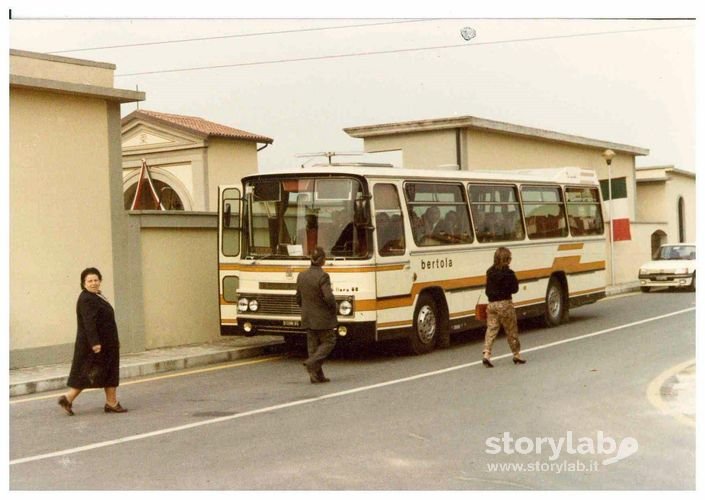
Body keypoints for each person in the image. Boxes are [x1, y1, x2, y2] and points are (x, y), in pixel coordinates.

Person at [58, 267, 127, 415]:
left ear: (100, 281)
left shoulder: (96, 296)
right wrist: (95, 343)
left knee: (106, 372)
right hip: (98, 345)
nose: (93, 283)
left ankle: (110, 402)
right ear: (83, 283)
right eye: (90, 281)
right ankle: (69, 398)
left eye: (96, 280)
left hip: (108, 343)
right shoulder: (87, 299)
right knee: (91, 373)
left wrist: (115, 340)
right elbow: (89, 323)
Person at [295, 247, 338, 383]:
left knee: (312, 346)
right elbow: (328, 297)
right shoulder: (323, 276)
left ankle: (316, 376)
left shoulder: (302, 275)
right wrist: (334, 308)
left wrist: (306, 309)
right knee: (329, 341)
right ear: (322, 260)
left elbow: (298, 297)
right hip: (322, 318)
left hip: (308, 316)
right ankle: (312, 363)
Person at [482, 247, 526, 367]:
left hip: (491, 305)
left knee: (491, 329)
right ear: (507, 259)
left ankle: (486, 354)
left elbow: (487, 291)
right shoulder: (509, 273)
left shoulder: (489, 272)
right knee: (511, 330)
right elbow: (515, 289)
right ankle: (516, 355)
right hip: (505, 304)